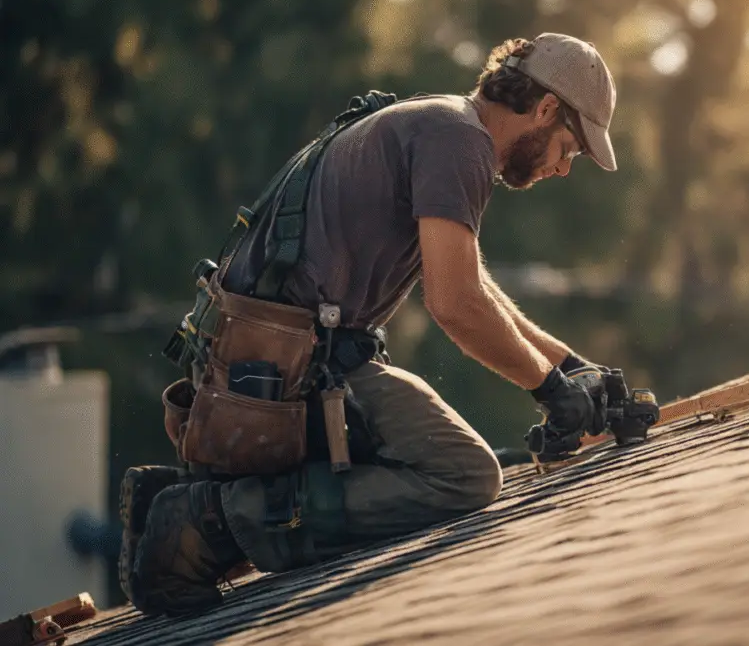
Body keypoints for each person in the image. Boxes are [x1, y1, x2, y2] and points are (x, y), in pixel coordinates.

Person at [122, 32, 621, 616]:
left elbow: (474, 287)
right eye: (569, 148)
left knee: (412, 464)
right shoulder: (459, 142)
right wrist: (551, 390)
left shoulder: (440, 121)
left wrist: (568, 367)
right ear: (545, 109)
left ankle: (182, 502)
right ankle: (211, 522)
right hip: (289, 371)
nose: (562, 169)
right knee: (463, 474)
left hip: (269, 363)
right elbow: (455, 304)